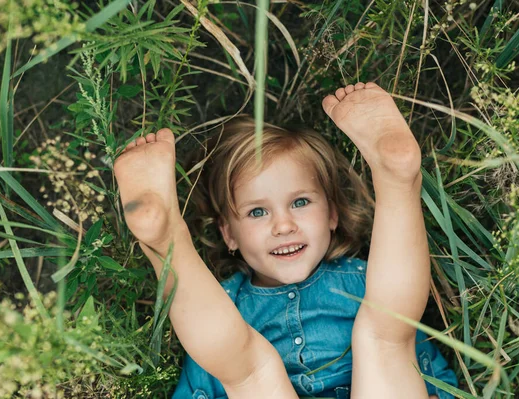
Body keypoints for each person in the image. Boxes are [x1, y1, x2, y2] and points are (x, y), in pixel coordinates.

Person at [114, 82, 458, 399]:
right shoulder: (222, 305)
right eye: (257, 213)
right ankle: (166, 238)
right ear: (228, 234)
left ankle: (167, 245)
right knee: (385, 341)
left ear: (332, 215)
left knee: (251, 373)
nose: (283, 225)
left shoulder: (368, 280)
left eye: (300, 202)